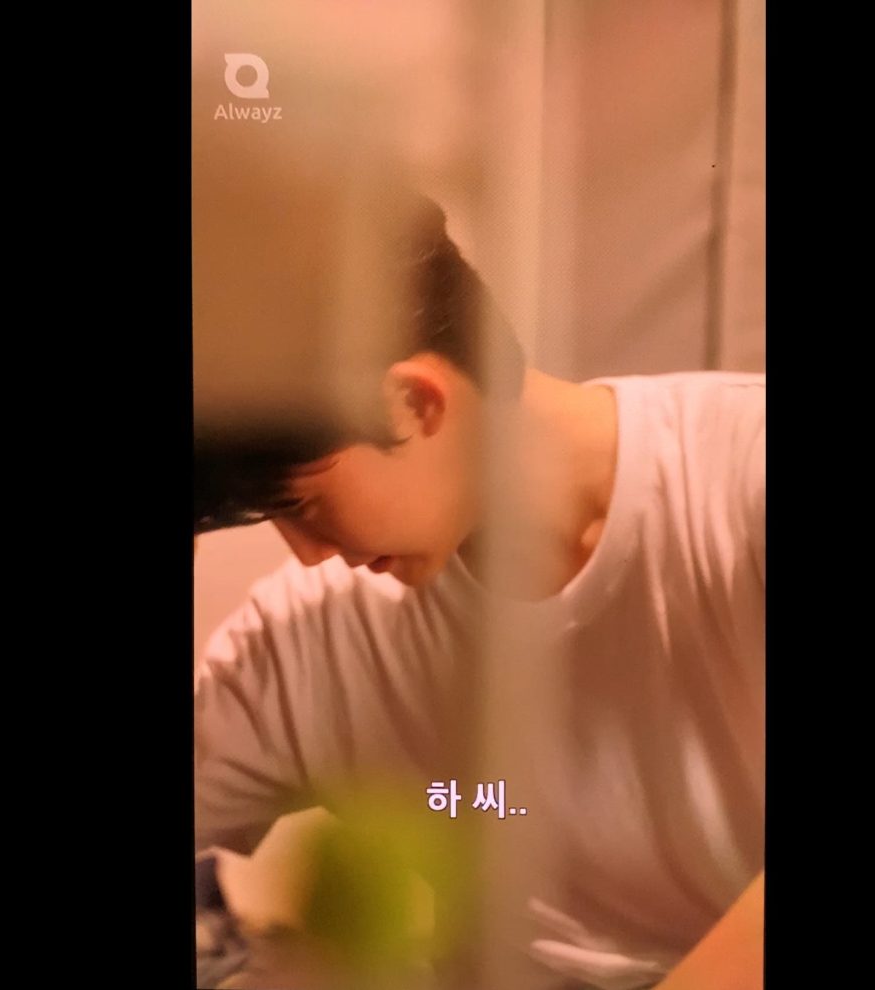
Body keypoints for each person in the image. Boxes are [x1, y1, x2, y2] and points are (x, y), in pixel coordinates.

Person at [194, 179, 765, 990]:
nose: (309, 554)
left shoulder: (743, 481)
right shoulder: (311, 638)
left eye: (304, 505)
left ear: (415, 402)